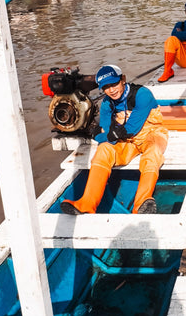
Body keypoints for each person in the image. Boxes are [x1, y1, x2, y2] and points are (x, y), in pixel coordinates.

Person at [61, 64, 169, 216]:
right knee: (104, 149)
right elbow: (107, 137)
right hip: (127, 142)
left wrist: (99, 133)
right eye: (106, 87)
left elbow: (129, 129)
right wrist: (101, 135)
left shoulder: (142, 94)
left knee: (153, 153)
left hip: (151, 134)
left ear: (122, 80)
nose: (111, 90)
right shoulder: (106, 103)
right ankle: (87, 203)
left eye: (114, 84)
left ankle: (142, 204)